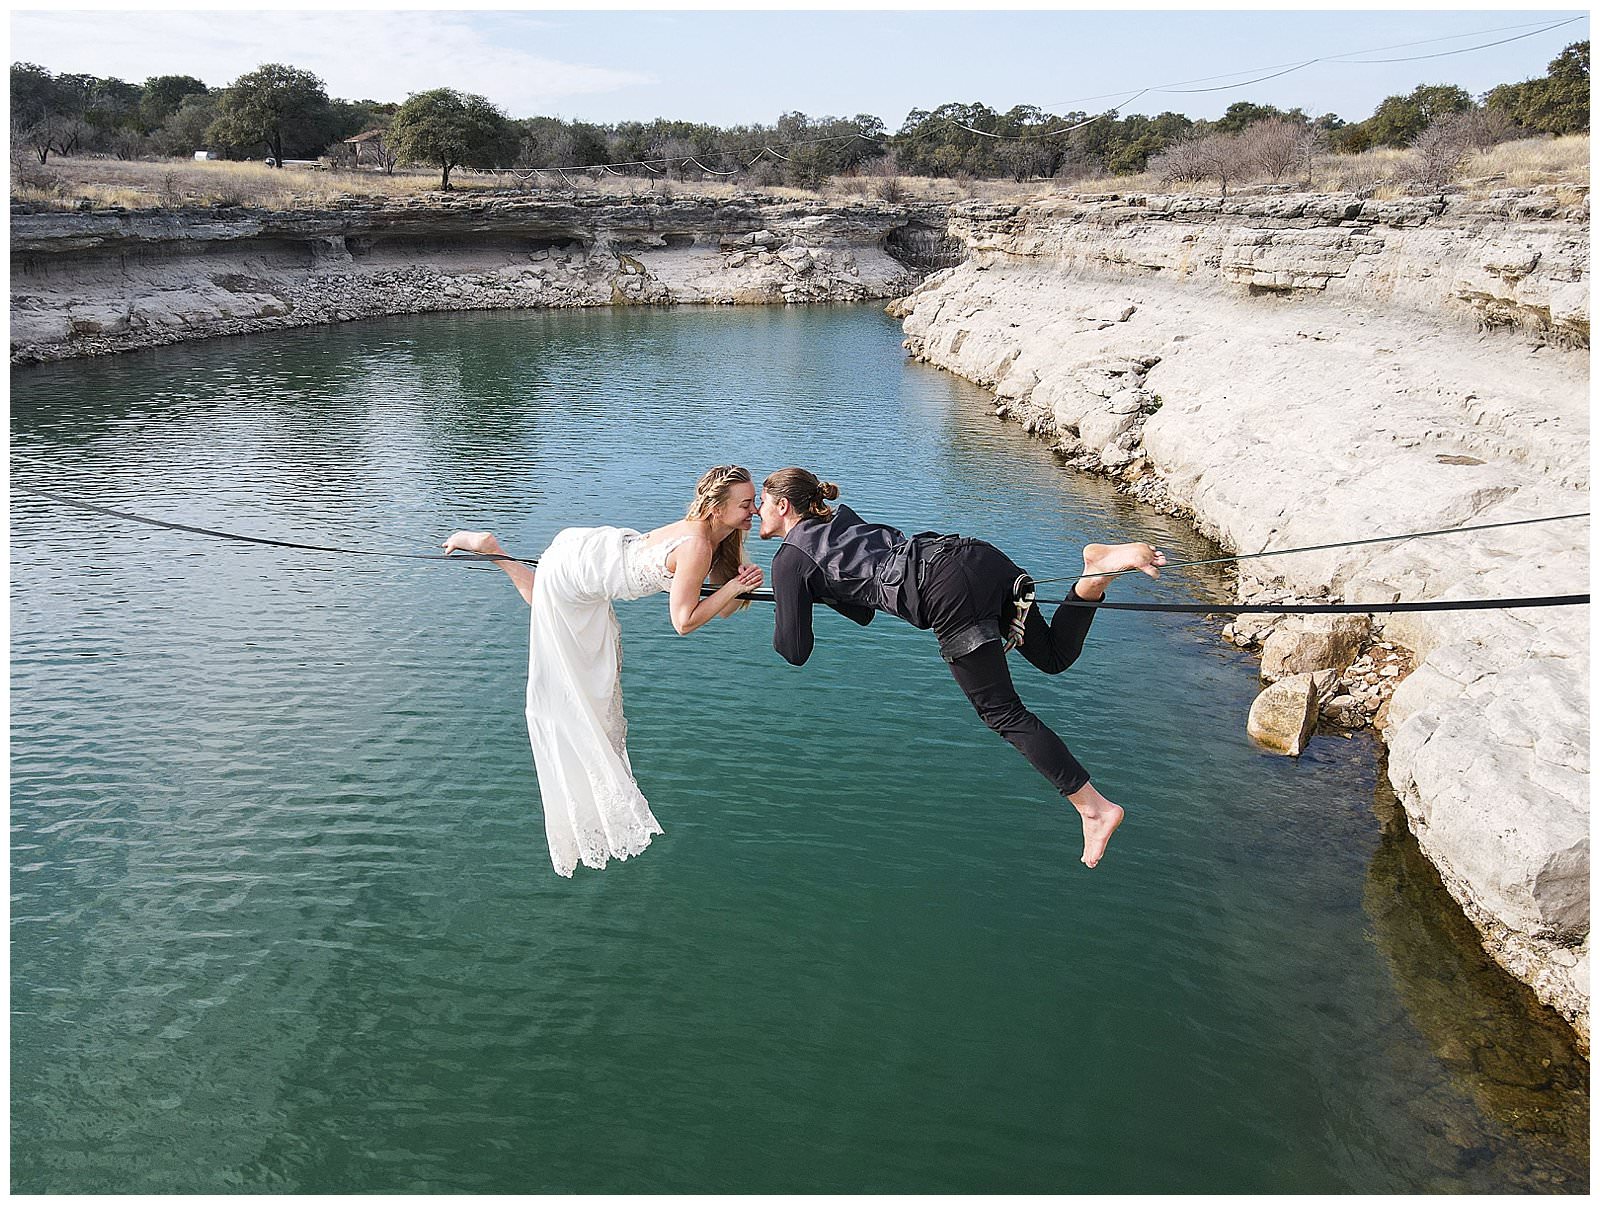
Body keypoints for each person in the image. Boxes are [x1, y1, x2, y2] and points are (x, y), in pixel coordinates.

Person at [757, 467, 1164, 869]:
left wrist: (786, 598)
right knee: (1054, 657)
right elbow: (865, 608)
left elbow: (794, 650)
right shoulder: (843, 520)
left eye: (761, 503)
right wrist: (812, 590)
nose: (758, 512)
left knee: (1001, 712)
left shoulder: (789, 559)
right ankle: (1094, 575)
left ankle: (1094, 809)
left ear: (782, 504)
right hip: (973, 555)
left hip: (947, 591)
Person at [444, 465, 764, 877]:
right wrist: (733, 588)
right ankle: (491, 550)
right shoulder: (699, 544)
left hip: (594, 556)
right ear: (717, 508)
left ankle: (492, 551)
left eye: (753, 501)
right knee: (559, 637)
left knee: (548, 611)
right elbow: (683, 622)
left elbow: (719, 604)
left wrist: (733, 586)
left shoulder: (710, 535)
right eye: (745, 504)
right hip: (584, 569)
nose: (753, 510)